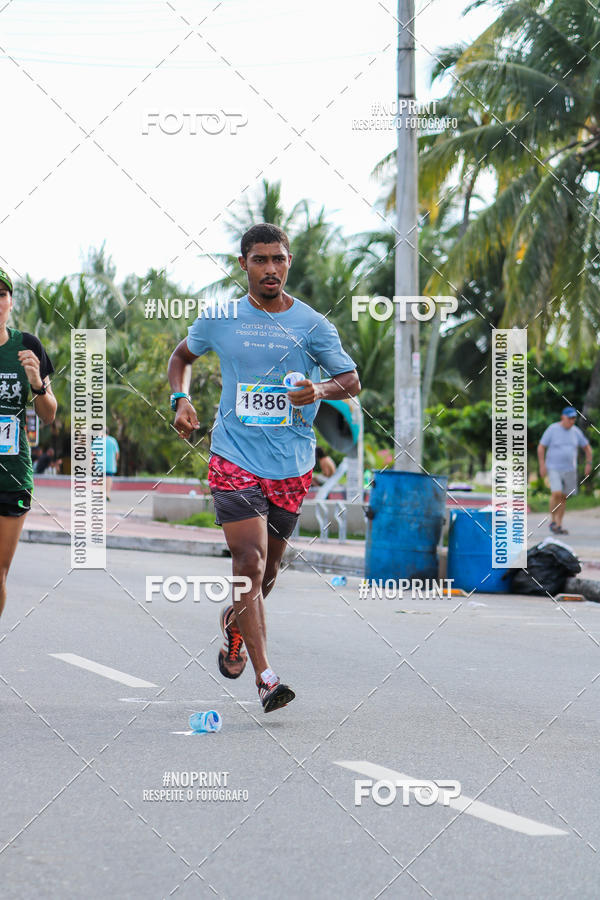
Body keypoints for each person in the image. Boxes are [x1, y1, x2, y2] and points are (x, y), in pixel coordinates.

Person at [168, 223, 360, 712]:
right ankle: (266, 678)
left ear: (289, 262)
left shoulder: (313, 325)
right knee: (248, 563)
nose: (270, 269)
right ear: (243, 265)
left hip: (291, 464)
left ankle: (234, 626)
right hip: (233, 455)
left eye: (278, 259)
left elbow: (350, 380)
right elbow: (181, 357)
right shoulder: (220, 318)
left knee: (268, 571)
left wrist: (318, 390)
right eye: (260, 260)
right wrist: (180, 399)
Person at [0, 269, 56, 617]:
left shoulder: (28, 346)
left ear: (10, 301)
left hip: (12, 476)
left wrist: (37, 381)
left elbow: (49, 413)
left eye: (1, 294)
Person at [537, 406, 593, 535]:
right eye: (570, 418)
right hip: (554, 467)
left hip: (570, 469)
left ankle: (558, 524)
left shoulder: (576, 431)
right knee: (556, 493)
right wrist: (542, 464)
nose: (572, 420)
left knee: (563, 497)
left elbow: (587, 448)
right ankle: (552, 520)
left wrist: (588, 463)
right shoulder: (552, 429)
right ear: (563, 417)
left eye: (574, 418)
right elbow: (541, 446)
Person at [90, 431, 120, 500]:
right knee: (109, 477)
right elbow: (117, 453)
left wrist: (92, 463)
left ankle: (101, 494)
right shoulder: (113, 440)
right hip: (110, 463)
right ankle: (108, 494)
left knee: (100, 478)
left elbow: (93, 454)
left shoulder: (97, 440)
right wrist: (116, 461)